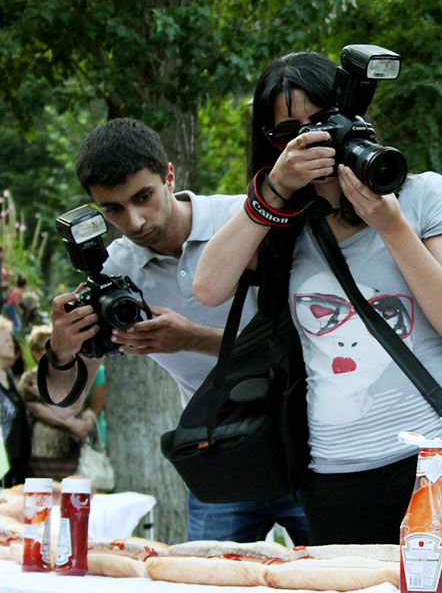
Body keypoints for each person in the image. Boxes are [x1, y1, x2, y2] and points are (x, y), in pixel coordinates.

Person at [193, 51, 442, 544]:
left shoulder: (423, 196)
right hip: (338, 471)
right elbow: (207, 288)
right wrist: (274, 191)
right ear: (271, 145)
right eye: (291, 132)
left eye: (323, 122)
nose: (313, 141)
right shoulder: (279, 226)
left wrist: (390, 225)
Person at [39, 117, 310, 544]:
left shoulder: (246, 219)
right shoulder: (112, 272)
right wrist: (62, 349)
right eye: (113, 209)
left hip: (306, 440)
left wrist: (192, 339)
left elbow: (312, 344)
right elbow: (63, 405)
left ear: (169, 175)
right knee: (205, 582)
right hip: (219, 450)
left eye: (143, 197)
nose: (134, 221)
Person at [19, 325, 96, 479]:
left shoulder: (73, 376)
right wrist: (71, 424)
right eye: (48, 347)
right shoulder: (30, 379)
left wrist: (88, 420)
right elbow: (38, 410)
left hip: (73, 450)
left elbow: (84, 404)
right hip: (44, 452)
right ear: (35, 353)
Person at [0, 317, 29, 487]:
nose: (11, 344)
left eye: (11, 340)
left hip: (15, 457)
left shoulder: (9, 376)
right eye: (5, 340)